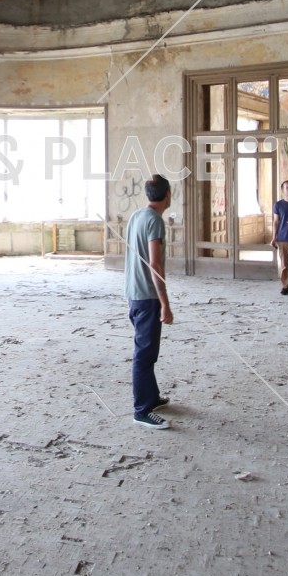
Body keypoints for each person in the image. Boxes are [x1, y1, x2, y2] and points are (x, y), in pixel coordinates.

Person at [124, 174, 174, 429]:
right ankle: (142, 410)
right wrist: (165, 303)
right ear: (168, 195)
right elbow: (154, 264)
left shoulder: (136, 216)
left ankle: (151, 397)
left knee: (148, 351)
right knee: (144, 354)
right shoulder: (154, 220)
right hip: (147, 296)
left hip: (134, 294)